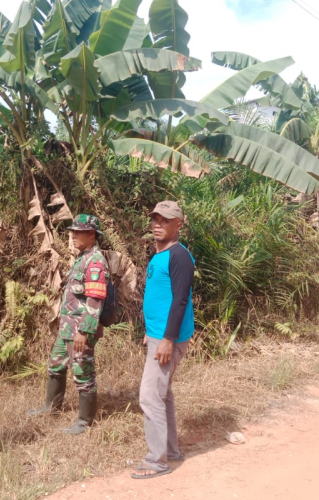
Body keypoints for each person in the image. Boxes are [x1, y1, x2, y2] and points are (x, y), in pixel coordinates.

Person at [27, 214, 108, 435]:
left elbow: (95, 299)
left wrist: (84, 331)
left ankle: (84, 421)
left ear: (91, 234)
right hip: (67, 329)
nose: (72, 236)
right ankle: (51, 408)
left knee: (83, 372)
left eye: (77, 232)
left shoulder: (95, 261)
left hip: (80, 330)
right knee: (55, 364)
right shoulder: (81, 258)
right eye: (71, 231)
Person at [133, 200, 195, 479]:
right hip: (158, 336)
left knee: (149, 396)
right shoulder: (160, 254)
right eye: (155, 219)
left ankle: (157, 461)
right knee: (163, 394)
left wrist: (168, 338)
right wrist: (152, 332)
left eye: (165, 220)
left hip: (168, 339)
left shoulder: (179, 256)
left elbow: (180, 300)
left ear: (178, 224)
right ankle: (170, 451)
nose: (158, 224)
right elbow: (161, 298)